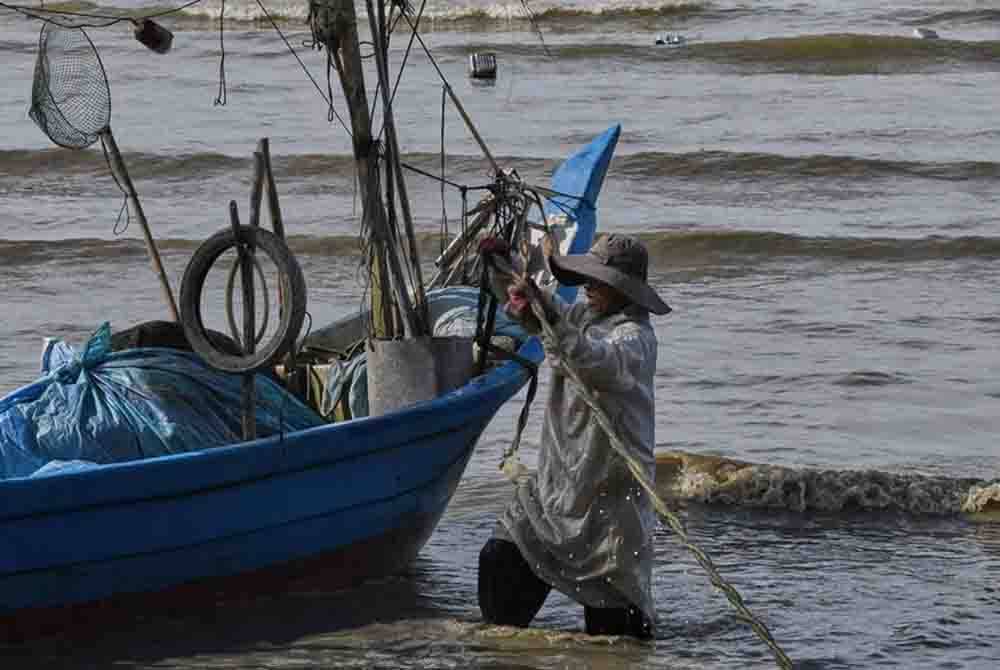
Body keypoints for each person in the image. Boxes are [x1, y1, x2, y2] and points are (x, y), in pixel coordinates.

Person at [478, 233, 671, 639]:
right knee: (501, 558)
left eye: (598, 281)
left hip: (609, 499)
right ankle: (503, 651)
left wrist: (551, 322)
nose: (587, 286)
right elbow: (545, 312)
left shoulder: (636, 340)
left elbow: (596, 360)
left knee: (615, 635)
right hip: (557, 488)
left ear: (623, 290)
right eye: (588, 278)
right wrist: (505, 268)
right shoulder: (583, 318)